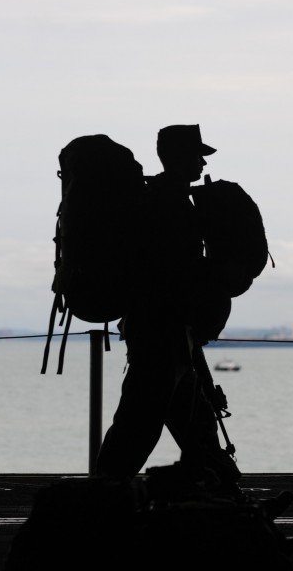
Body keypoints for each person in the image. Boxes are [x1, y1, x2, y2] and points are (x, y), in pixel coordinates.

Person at [95, 124, 241, 495]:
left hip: (171, 333)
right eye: (197, 154)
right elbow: (173, 272)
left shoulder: (166, 198)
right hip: (162, 332)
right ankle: (101, 500)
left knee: (197, 425)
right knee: (139, 425)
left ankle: (230, 496)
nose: (201, 161)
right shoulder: (167, 203)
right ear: (178, 157)